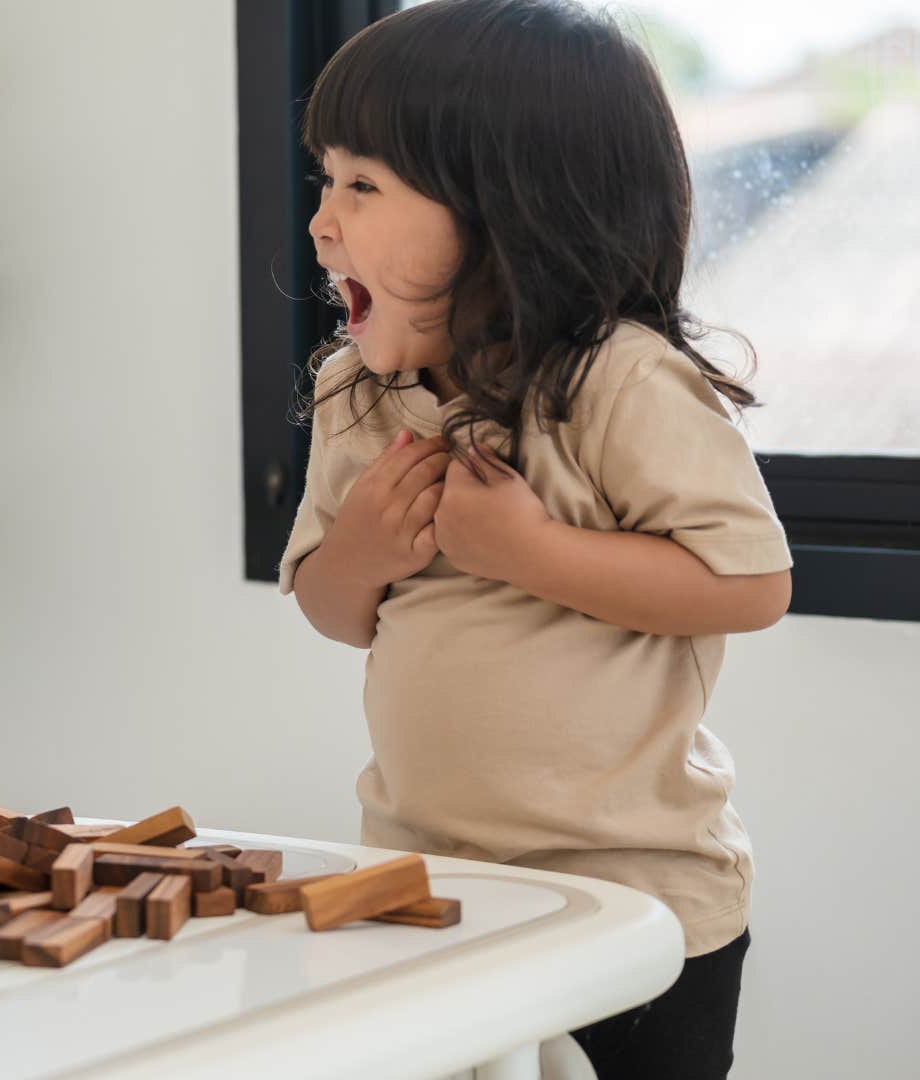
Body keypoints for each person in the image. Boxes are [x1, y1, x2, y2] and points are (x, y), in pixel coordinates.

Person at [277, 2, 792, 1075]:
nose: (322, 221)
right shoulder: (356, 396)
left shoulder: (620, 381)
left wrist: (529, 553)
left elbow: (748, 585)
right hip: (429, 883)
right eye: (326, 180)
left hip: (636, 898)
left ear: (511, 212)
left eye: (363, 186)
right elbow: (333, 612)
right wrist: (362, 550)